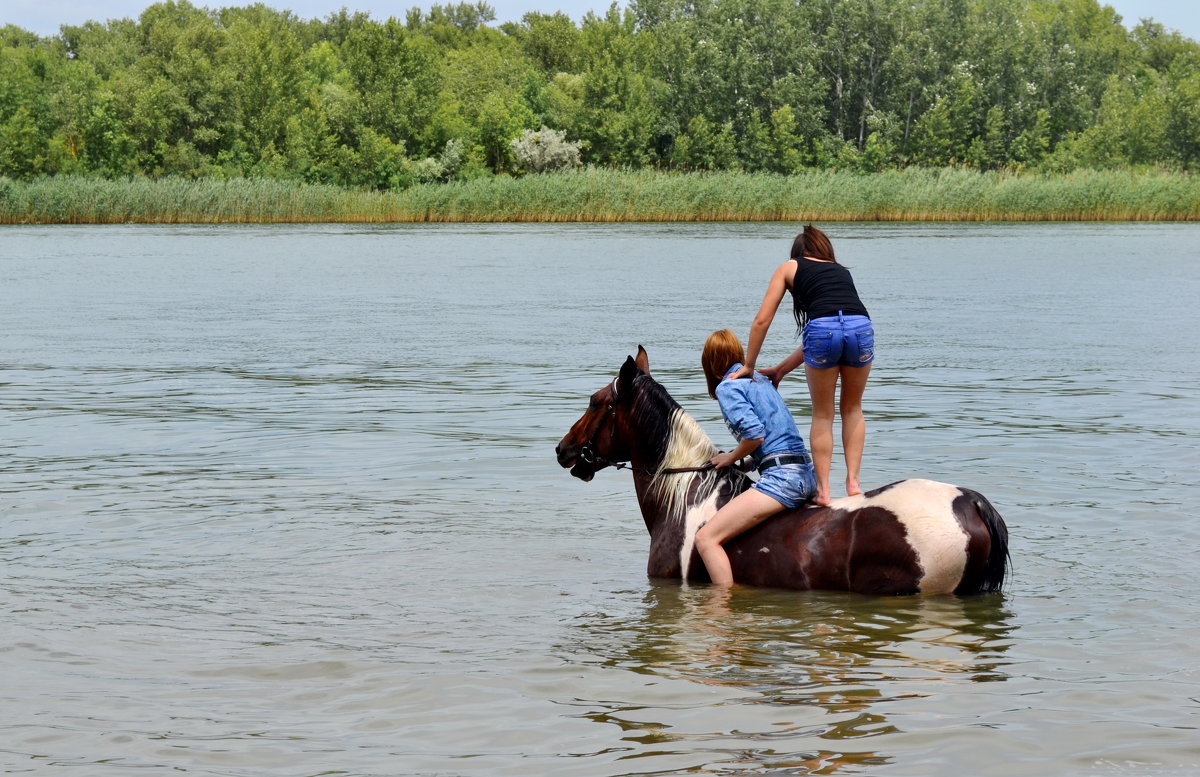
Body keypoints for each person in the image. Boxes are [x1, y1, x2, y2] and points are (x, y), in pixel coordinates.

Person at [728, 225, 874, 506]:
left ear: (798, 253)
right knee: (853, 408)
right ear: (825, 249)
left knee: (823, 415)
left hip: (822, 331)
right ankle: (854, 483)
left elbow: (762, 321)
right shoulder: (840, 270)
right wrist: (781, 370)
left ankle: (823, 491)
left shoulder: (789, 267)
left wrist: (749, 365)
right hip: (861, 327)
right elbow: (838, 324)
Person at [696, 329, 816, 587]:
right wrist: (749, 462)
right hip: (806, 472)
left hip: (782, 480)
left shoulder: (728, 387)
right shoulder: (759, 378)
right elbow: (774, 434)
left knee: (706, 539)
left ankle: (721, 609)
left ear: (711, 365)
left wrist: (731, 457)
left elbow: (754, 436)